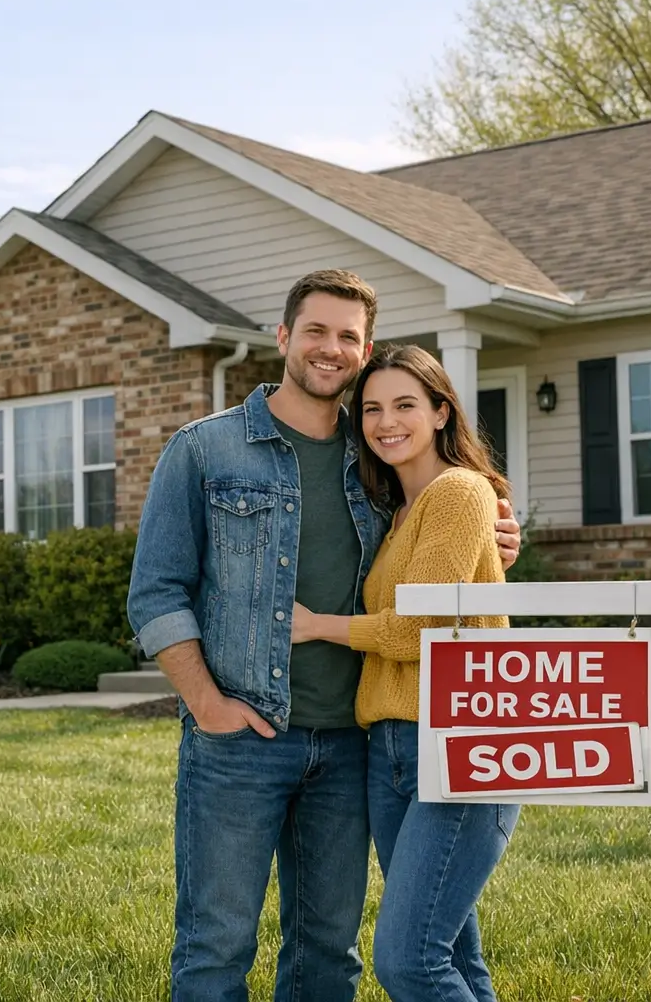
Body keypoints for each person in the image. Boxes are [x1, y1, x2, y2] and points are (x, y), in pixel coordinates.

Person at [126, 269, 520, 1002]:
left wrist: (494, 539)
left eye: (348, 337)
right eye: (317, 331)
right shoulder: (206, 449)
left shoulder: (376, 455)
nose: (331, 349)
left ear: (364, 348)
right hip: (240, 739)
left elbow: (436, 542)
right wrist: (208, 706)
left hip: (351, 744)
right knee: (215, 948)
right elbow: (154, 591)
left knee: (326, 955)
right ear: (283, 337)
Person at [292, 343, 517, 1002]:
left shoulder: (459, 491)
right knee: (454, 956)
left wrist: (316, 625)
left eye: (405, 405)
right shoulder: (400, 513)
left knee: (410, 961)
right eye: (371, 409)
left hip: (460, 742)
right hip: (393, 753)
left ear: (443, 411)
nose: (386, 421)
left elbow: (425, 627)